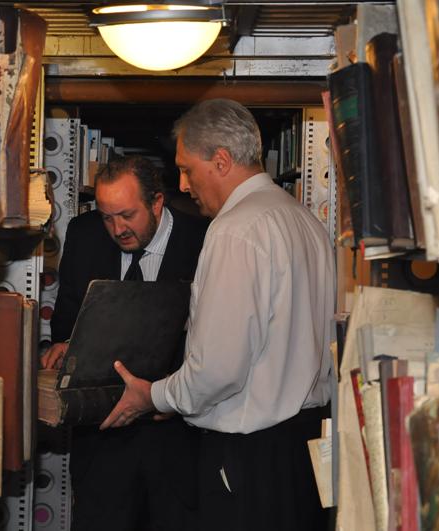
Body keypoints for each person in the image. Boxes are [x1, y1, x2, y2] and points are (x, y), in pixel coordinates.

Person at [101, 99, 335, 531]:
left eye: (187, 169)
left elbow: (217, 369)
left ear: (222, 161)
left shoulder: (235, 230)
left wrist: (153, 396)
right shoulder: (304, 220)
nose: (183, 185)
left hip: (251, 459)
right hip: (304, 449)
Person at [40, 154, 209, 531]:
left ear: (157, 202)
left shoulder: (204, 239)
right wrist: (68, 345)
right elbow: (66, 316)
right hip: (102, 442)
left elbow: (214, 343)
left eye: (127, 215)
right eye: (107, 217)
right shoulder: (84, 234)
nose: (117, 229)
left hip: (174, 442)